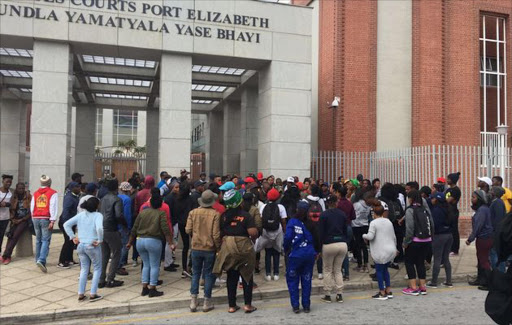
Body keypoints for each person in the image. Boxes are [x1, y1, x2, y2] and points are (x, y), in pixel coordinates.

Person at [213, 189, 258, 314]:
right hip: (244, 247)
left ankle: (232, 306)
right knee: (247, 275)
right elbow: (252, 232)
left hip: (228, 248)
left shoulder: (224, 216)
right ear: (240, 201)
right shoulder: (246, 215)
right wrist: (254, 237)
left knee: (231, 276)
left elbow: (220, 233)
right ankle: (248, 305)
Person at [128, 189, 172, 298]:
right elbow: (165, 229)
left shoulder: (142, 212)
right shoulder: (161, 213)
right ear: (161, 204)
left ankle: (144, 287)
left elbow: (134, 228)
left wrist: (129, 242)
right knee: (155, 265)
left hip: (140, 241)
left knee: (146, 264)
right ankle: (152, 288)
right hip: (153, 241)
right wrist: (170, 242)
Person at [186, 190, 221, 312]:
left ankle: (193, 301)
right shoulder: (215, 214)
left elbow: (187, 229)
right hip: (209, 248)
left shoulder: (193, 212)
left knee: (195, 273)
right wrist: (218, 247)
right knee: (208, 274)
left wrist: (195, 234)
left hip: (196, 247)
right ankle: (207, 301)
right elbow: (216, 234)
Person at [63, 197, 104, 302]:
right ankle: (93, 293)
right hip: (92, 245)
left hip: (81, 245)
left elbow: (66, 224)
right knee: (97, 268)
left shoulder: (81, 215)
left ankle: (81, 293)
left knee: (84, 269)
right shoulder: (98, 215)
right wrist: (100, 239)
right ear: (96, 206)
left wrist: (73, 237)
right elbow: (99, 228)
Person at [284, 201, 320, 314]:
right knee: (307, 279)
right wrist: (317, 252)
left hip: (295, 255)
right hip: (309, 255)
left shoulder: (292, 222)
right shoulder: (312, 224)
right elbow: (317, 239)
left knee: (293, 280)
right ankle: (306, 305)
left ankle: (295, 306)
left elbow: (288, 237)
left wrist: (286, 249)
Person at [402, 190, 435, 296]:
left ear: (410, 199)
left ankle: (413, 287)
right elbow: (432, 224)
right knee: (420, 263)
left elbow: (410, 228)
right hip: (426, 240)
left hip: (414, 241)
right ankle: (422, 286)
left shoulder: (410, 210)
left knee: (409, 262)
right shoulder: (424, 209)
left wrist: (406, 242)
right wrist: (431, 238)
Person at [363, 202, 396, 300]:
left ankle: (382, 292)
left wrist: (363, 235)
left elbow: (370, 236)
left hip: (380, 250)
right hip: (390, 249)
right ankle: (388, 290)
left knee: (379, 271)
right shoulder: (388, 221)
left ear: (374, 213)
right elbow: (393, 236)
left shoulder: (373, 223)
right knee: (386, 270)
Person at [319, 195, 348, 303]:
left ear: (327, 203)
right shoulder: (342, 214)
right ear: (336, 202)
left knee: (327, 270)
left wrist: (319, 247)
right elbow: (346, 230)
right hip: (342, 243)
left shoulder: (324, 215)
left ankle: (327, 294)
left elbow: (321, 232)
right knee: (338, 270)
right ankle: (339, 293)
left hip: (329, 244)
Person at [99, 178, 127, 288]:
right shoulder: (117, 199)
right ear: (117, 187)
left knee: (104, 255)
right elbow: (118, 215)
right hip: (111, 229)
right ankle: (110, 279)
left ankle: (101, 279)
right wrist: (125, 225)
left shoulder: (103, 199)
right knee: (116, 253)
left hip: (102, 228)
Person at [255, 188, 286, 281]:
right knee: (276, 252)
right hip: (277, 232)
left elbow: (260, 219)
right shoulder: (281, 207)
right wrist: (284, 232)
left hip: (266, 232)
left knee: (268, 253)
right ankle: (276, 273)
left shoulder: (263, 206)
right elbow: (283, 221)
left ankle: (268, 274)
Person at [466, 189, 494, 290]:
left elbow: (478, 226)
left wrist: (470, 239)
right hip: (486, 237)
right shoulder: (484, 208)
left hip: (484, 238)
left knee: (484, 261)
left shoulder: (482, 210)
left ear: (480, 199)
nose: (471, 199)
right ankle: (482, 280)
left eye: (473, 197)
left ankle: (489, 283)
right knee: (482, 259)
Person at [31, 175, 58, 273]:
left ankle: (37, 259)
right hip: (46, 218)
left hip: (35, 217)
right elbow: (53, 206)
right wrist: (53, 220)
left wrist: (32, 217)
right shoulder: (53, 193)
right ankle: (41, 260)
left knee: (38, 239)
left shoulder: (35, 193)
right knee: (45, 240)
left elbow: (32, 206)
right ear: (50, 183)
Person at [426, 192, 454, 288]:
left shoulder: (436, 210)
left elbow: (434, 225)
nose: (431, 200)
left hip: (439, 236)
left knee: (437, 259)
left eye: (432, 198)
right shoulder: (449, 208)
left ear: (436, 200)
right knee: (446, 258)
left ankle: (434, 281)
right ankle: (449, 281)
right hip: (449, 235)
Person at [0, 182, 31, 264]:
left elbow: (31, 211)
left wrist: (21, 220)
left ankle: (6, 256)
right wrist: (12, 219)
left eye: (23, 188)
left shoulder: (28, 196)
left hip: (24, 220)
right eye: (19, 188)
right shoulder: (13, 197)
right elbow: (10, 209)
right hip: (14, 219)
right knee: (10, 236)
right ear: (16, 189)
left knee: (15, 236)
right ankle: (7, 255)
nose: (21, 190)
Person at [58, 182, 81, 268]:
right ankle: (62, 261)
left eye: (79, 186)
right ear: (72, 188)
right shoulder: (69, 198)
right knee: (67, 241)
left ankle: (69, 259)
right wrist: (68, 224)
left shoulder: (75, 196)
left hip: (72, 222)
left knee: (71, 241)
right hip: (66, 222)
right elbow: (66, 212)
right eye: (77, 187)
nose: (79, 188)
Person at [352, 190, 372, 273]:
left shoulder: (356, 204)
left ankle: (359, 265)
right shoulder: (368, 205)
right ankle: (366, 265)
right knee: (364, 245)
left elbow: (353, 214)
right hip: (365, 225)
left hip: (356, 225)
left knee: (358, 245)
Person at [118, 182, 133, 274]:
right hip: (124, 226)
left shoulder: (118, 197)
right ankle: (119, 265)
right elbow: (127, 214)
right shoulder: (127, 199)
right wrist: (129, 226)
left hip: (116, 225)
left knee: (118, 246)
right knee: (125, 245)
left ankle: (118, 263)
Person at [445, 172, 461, 255]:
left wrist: (442, 200)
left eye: (448, 179)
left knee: (454, 231)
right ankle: (449, 248)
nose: (447, 180)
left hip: (453, 212)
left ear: (453, 180)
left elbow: (449, 200)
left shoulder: (456, 190)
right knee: (449, 230)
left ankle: (455, 249)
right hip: (447, 212)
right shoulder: (448, 189)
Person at [0, 174, 13, 253]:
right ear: (2, 181)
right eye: (7, 181)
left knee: (1, 236)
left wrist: (6, 204)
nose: (8, 183)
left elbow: (12, 203)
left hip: (5, 218)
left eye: (10, 182)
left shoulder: (11, 193)